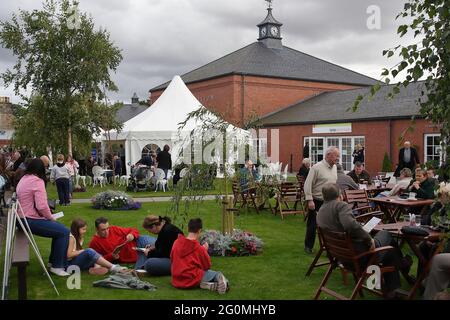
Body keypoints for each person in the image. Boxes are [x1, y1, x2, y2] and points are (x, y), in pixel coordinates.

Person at [316, 183, 413, 299]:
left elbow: (344, 225)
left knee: (390, 252)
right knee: (386, 234)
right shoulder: (340, 205)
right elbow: (349, 225)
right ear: (339, 195)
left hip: (341, 256)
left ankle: (393, 289)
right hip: (360, 256)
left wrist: (360, 228)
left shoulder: (321, 210)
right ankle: (402, 264)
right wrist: (368, 239)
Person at [16, 158, 70, 276]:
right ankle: (57, 266)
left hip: (21, 219)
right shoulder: (37, 181)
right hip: (28, 220)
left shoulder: (23, 179)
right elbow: (41, 206)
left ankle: (53, 263)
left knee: (59, 230)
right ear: (41, 169)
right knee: (64, 232)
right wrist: (50, 217)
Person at [171, 218, 229, 294]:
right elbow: (206, 266)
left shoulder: (176, 242)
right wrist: (205, 251)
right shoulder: (198, 248)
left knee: (198, 274)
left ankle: (206, 284)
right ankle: (219, 282)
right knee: (217, 274)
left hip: (177, 279)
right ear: (199, 231)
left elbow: (172, 259)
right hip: (192, 277)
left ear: (188, 228)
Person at [303, 146, 339, 254]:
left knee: (330, 226)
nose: (338, 158)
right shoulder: (316, 167)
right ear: (328, 155)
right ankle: (308, 246)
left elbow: (334, 184)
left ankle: (330, 248)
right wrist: (309, 200)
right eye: (336, 156)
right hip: (317, 200)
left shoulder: (335, 167)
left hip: (331, 201)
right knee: (313, 224)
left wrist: (338, 196)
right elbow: (307, 184)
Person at [89, 217, 154, 264]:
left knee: (160, 245)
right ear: (97, 229)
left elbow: (134, 230)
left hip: (140, 241)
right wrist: (111, 256)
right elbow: (98, 259)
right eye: (103, 230)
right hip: (136, 255)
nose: (107, 231)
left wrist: (132, 235)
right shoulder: (94, 242)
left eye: (107, 228)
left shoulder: (114, 229)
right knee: (155, 257)